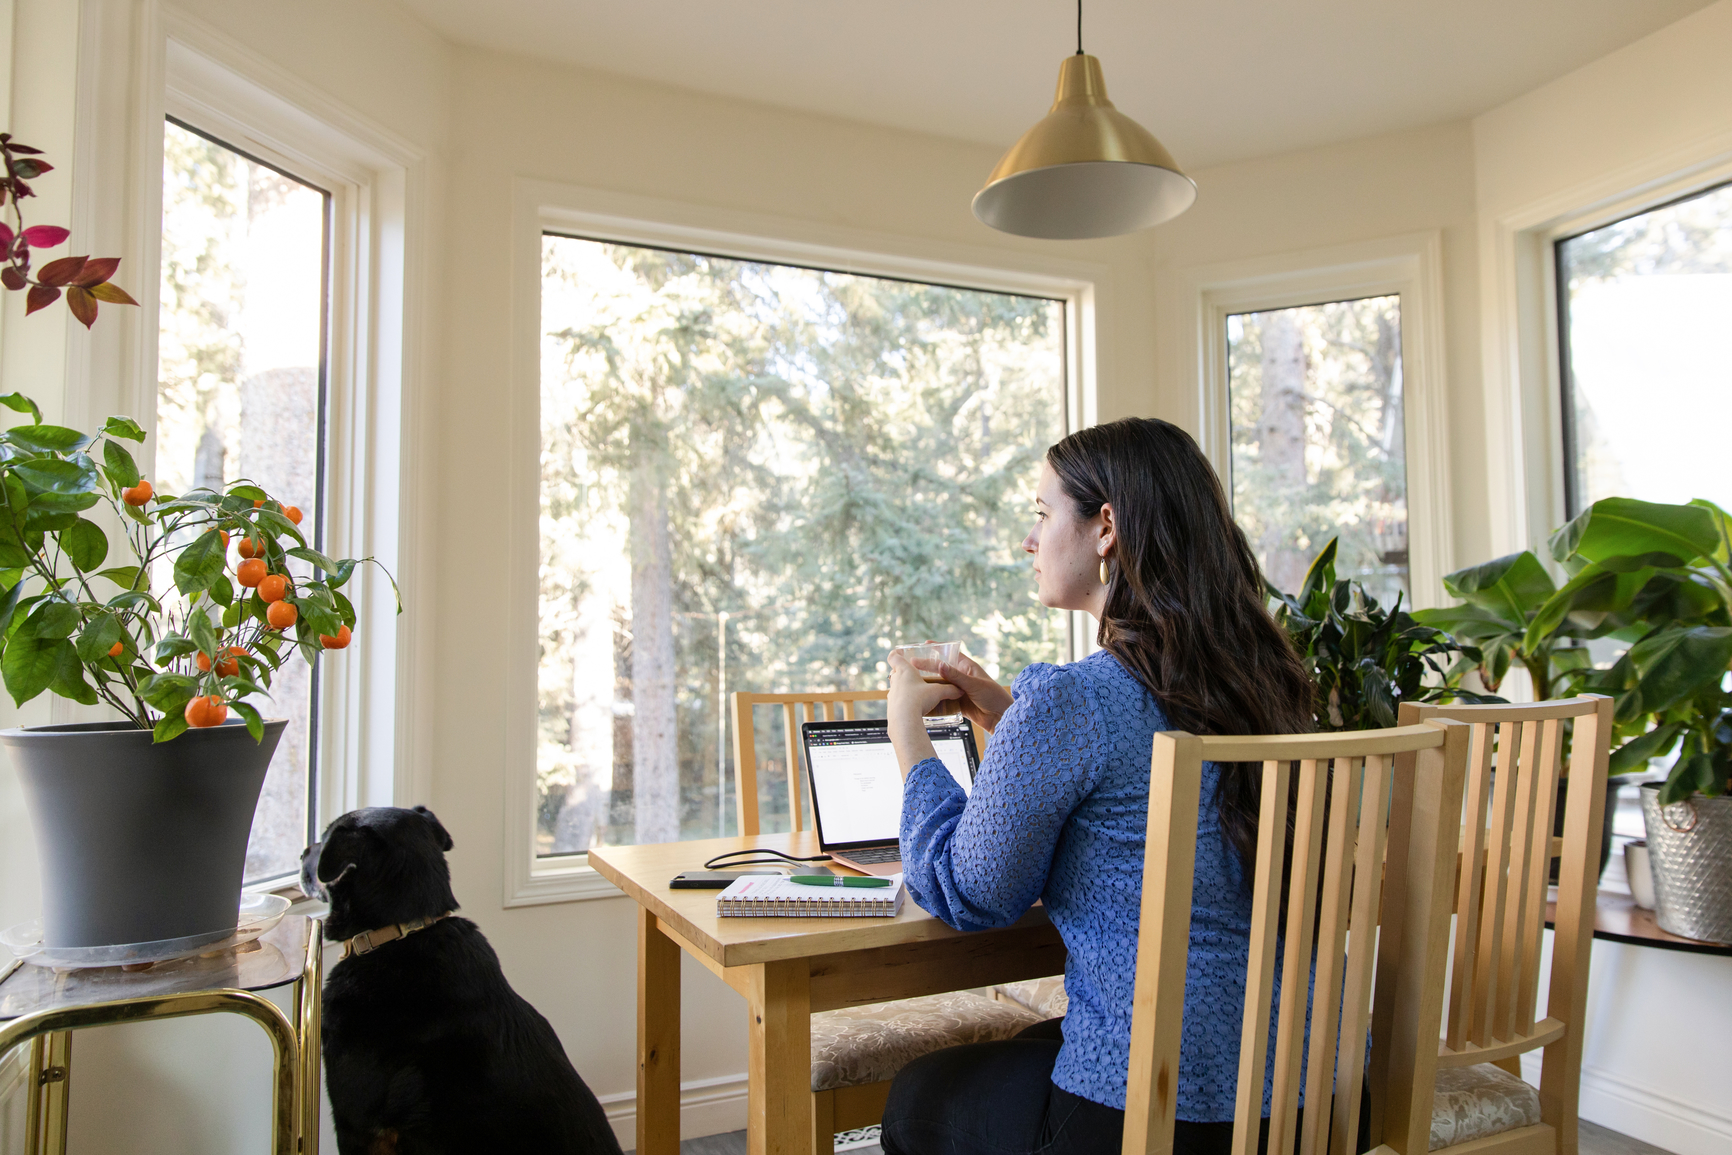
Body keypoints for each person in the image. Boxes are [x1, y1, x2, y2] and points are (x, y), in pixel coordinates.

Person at [880, 417, 1318, 1155]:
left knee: (914, 1100)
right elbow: (1131, 781)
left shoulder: (1077, 701)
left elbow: (970, 892)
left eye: (1044, 513)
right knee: (1031, 1040)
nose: (1030, 539)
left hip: (1166, 1114)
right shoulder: (1267, 688)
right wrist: (1004, 714)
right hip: (1312, 1096)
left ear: (1105, 527)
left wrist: (908, 738)